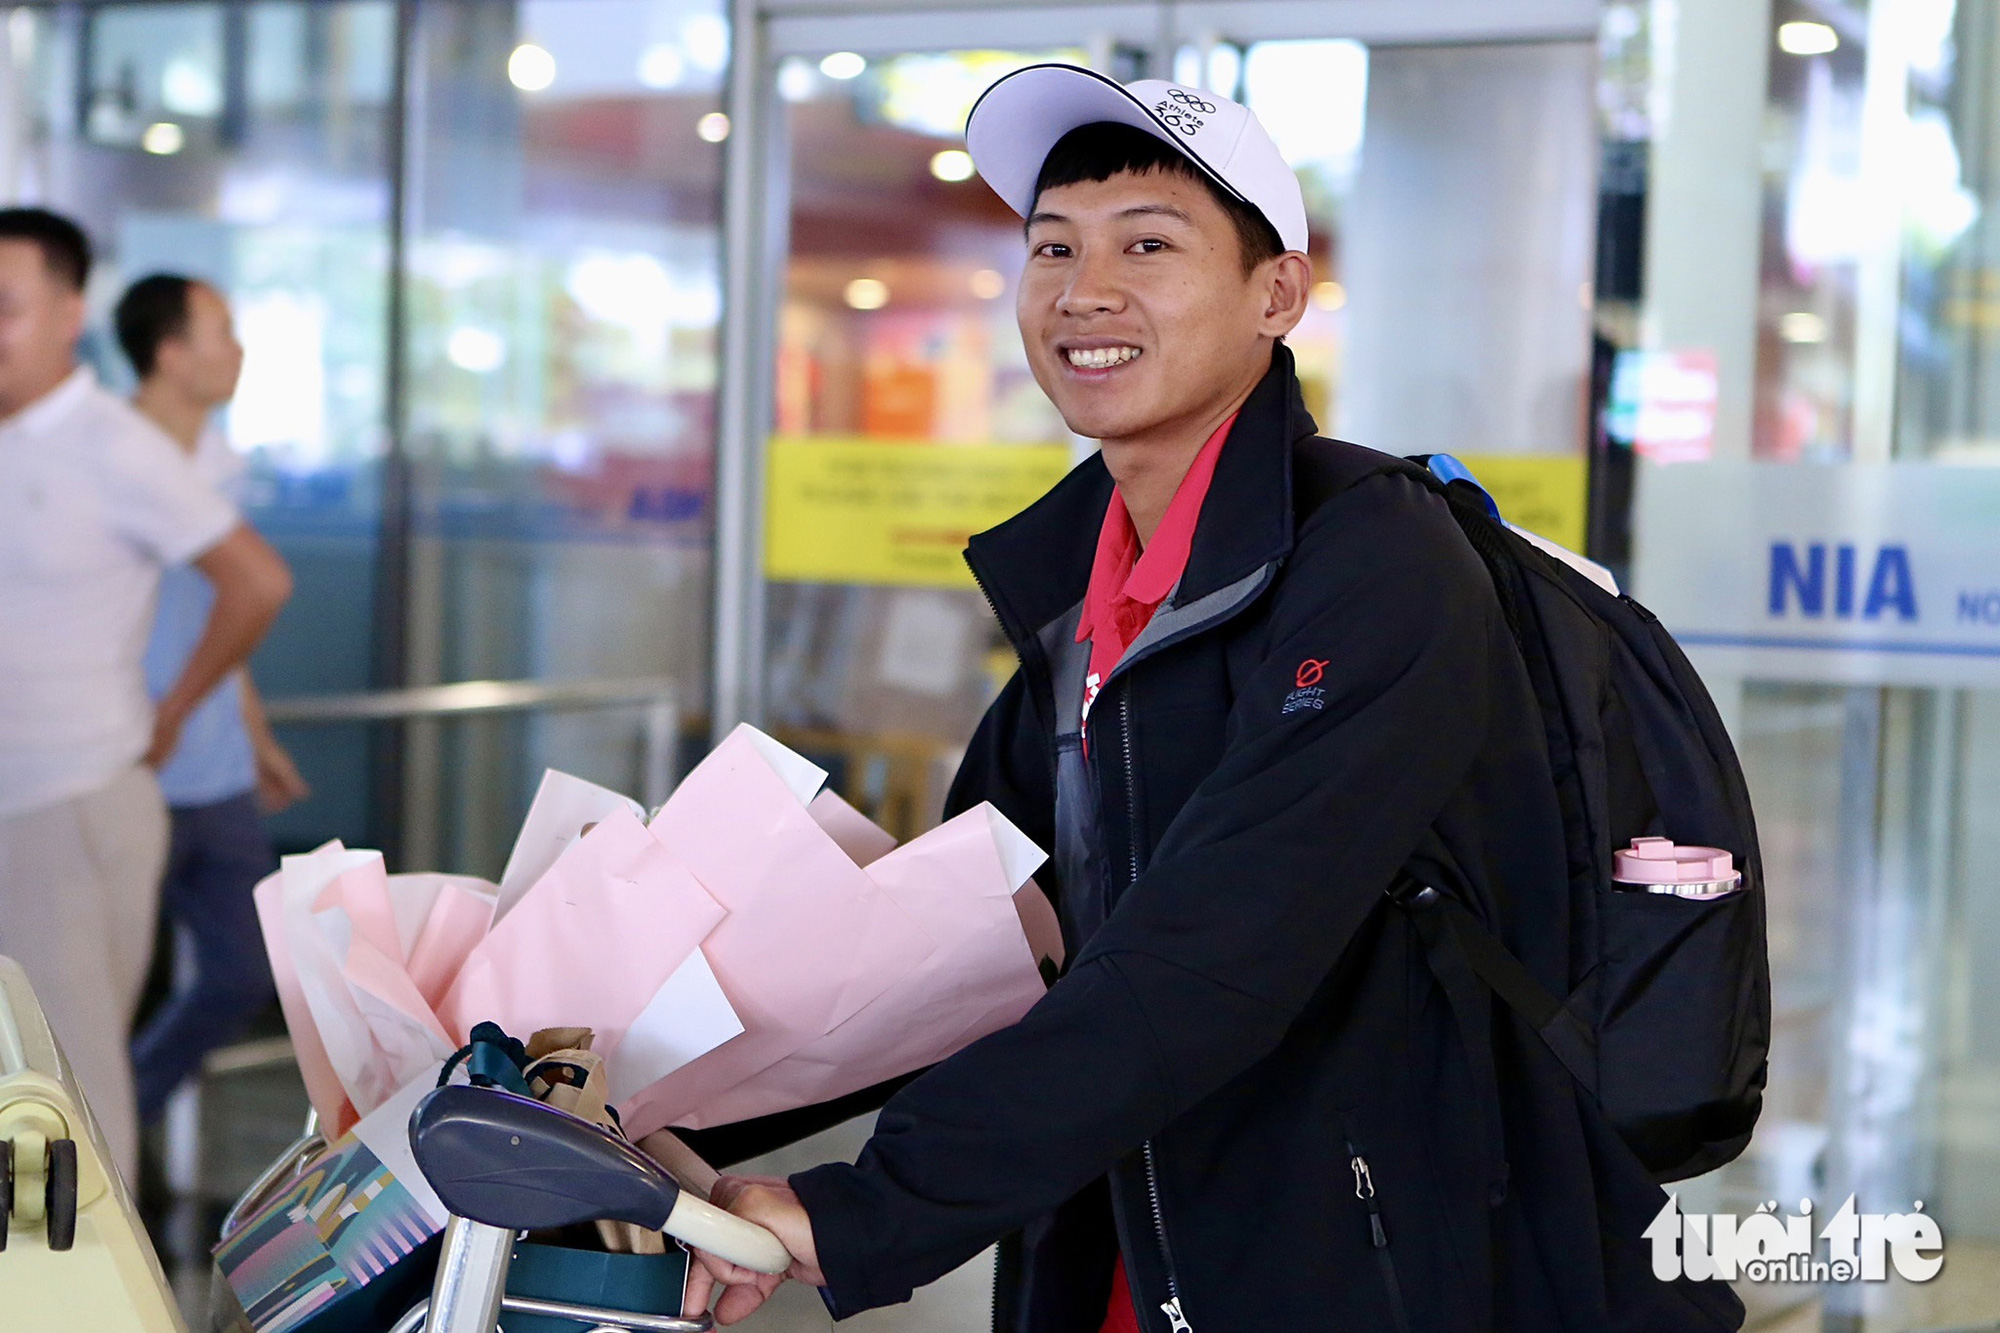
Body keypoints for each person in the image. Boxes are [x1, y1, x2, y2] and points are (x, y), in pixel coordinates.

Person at [681, 70, 1744, 1332]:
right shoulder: (1087, 596)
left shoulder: (1376, 565)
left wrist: (865, 1207)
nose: (1085, 292)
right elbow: (954, 938)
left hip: (1390, 1266)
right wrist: (649, 1113)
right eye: (1051, 248)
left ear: (1275, 294)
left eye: (1148, 243)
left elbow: (1214, 949)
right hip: (1128, 1252)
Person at [0, 209, 292, 1180]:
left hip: (77, 796)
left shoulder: (112, 446)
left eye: (6, 307)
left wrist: (183, 714)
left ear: (70, 312)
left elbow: (254, 582)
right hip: (39, 788)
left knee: (69, 1095)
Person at [116, 273, 310, 1127]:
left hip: (215, 767)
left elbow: (224, 620)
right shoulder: (105, 456)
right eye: (221, 330)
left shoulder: (221, 464)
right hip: (125, 765)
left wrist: (255, 733)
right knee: (95, 983)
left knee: (241, 970)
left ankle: (122, 1109)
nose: (237, 350)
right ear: (168, 351)